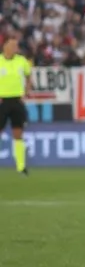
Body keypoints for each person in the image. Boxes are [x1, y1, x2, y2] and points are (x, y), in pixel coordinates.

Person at [0, 35, 33, 176]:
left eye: (16, 46)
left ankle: (21, 166)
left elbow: (29, 76)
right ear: (5, 46)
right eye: (13, 45)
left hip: (17, 101)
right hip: (2, 101)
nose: (15, 48)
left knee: (18, 133)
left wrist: (27, 91)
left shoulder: (22, 61)